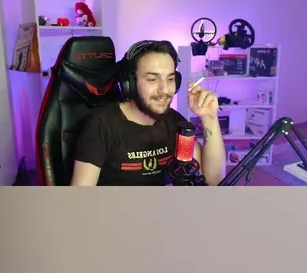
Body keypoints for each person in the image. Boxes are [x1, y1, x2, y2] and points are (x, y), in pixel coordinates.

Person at [71, 40, 225, 186]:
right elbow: (81, 197)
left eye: (170, 79)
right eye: (152, 79)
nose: (164, 90)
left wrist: (209, 117)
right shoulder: (101, 125)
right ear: (130, 83)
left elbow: (213, 180)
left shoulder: (174, 122)